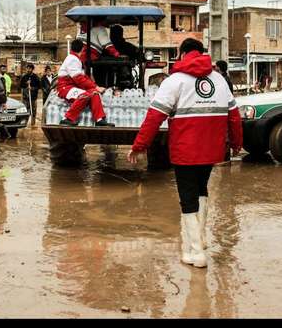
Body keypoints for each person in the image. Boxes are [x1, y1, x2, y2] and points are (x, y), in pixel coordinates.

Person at [127, 39, 242, 269]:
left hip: (185, 150)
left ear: (182, 55)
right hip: (211, 149)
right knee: (201, 189)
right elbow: (234, 116)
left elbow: (154, 117)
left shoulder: (175, 81)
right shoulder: (218, 79)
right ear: (201, 53)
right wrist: (237, 143)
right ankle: (200, 239)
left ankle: (196, 253)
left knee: (187, 196)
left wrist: (139, 146)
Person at [57, 39, 114, 127]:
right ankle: (67, 119)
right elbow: (79, 79)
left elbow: (84, 77)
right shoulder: (72, 59)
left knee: (94, 93)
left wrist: (95, 87)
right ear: (82, 49)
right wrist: (96, 87)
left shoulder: (75, 59)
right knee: (86, 95)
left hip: (70, 87)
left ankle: (99, 119)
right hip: (66, 88)